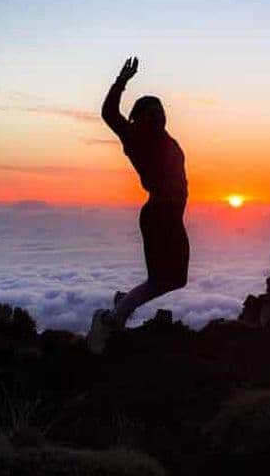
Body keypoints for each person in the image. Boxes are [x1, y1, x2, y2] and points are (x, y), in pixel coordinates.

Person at [87, 57, 189, 353]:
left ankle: (123, 303)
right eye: (152, 113)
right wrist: (122, 81)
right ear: (140, 118)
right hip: (158, 214)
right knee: (161, 279)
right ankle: (109, 321)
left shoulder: (166, 139)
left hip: (172, 215)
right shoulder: (137, 136)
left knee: (177, 279)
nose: (159, 117)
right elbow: (108, 113)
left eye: (161, 112)